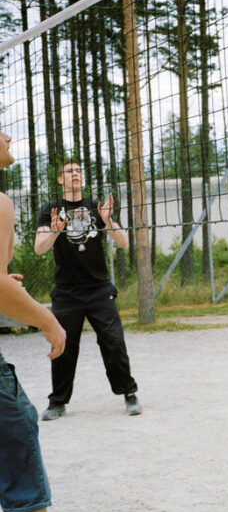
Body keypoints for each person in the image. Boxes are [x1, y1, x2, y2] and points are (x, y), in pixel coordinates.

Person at [0, 129, 91, 512]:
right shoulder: (1, 203)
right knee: (22, 462)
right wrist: (45, 318)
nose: (9, 134)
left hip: (95, 290)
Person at [34, 159, 141, 419]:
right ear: (60, 179)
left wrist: (107, 221)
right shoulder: (51, 209)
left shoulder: (95, 207)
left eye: (79, 171)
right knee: (63, 346)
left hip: (99, 289)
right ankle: (58, 402)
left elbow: (124, 242)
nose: (75, 175)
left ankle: (128, 393)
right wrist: (56, 232)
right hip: (67, 292)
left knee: (114, 341)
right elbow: (39, 248)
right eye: (70, 171)